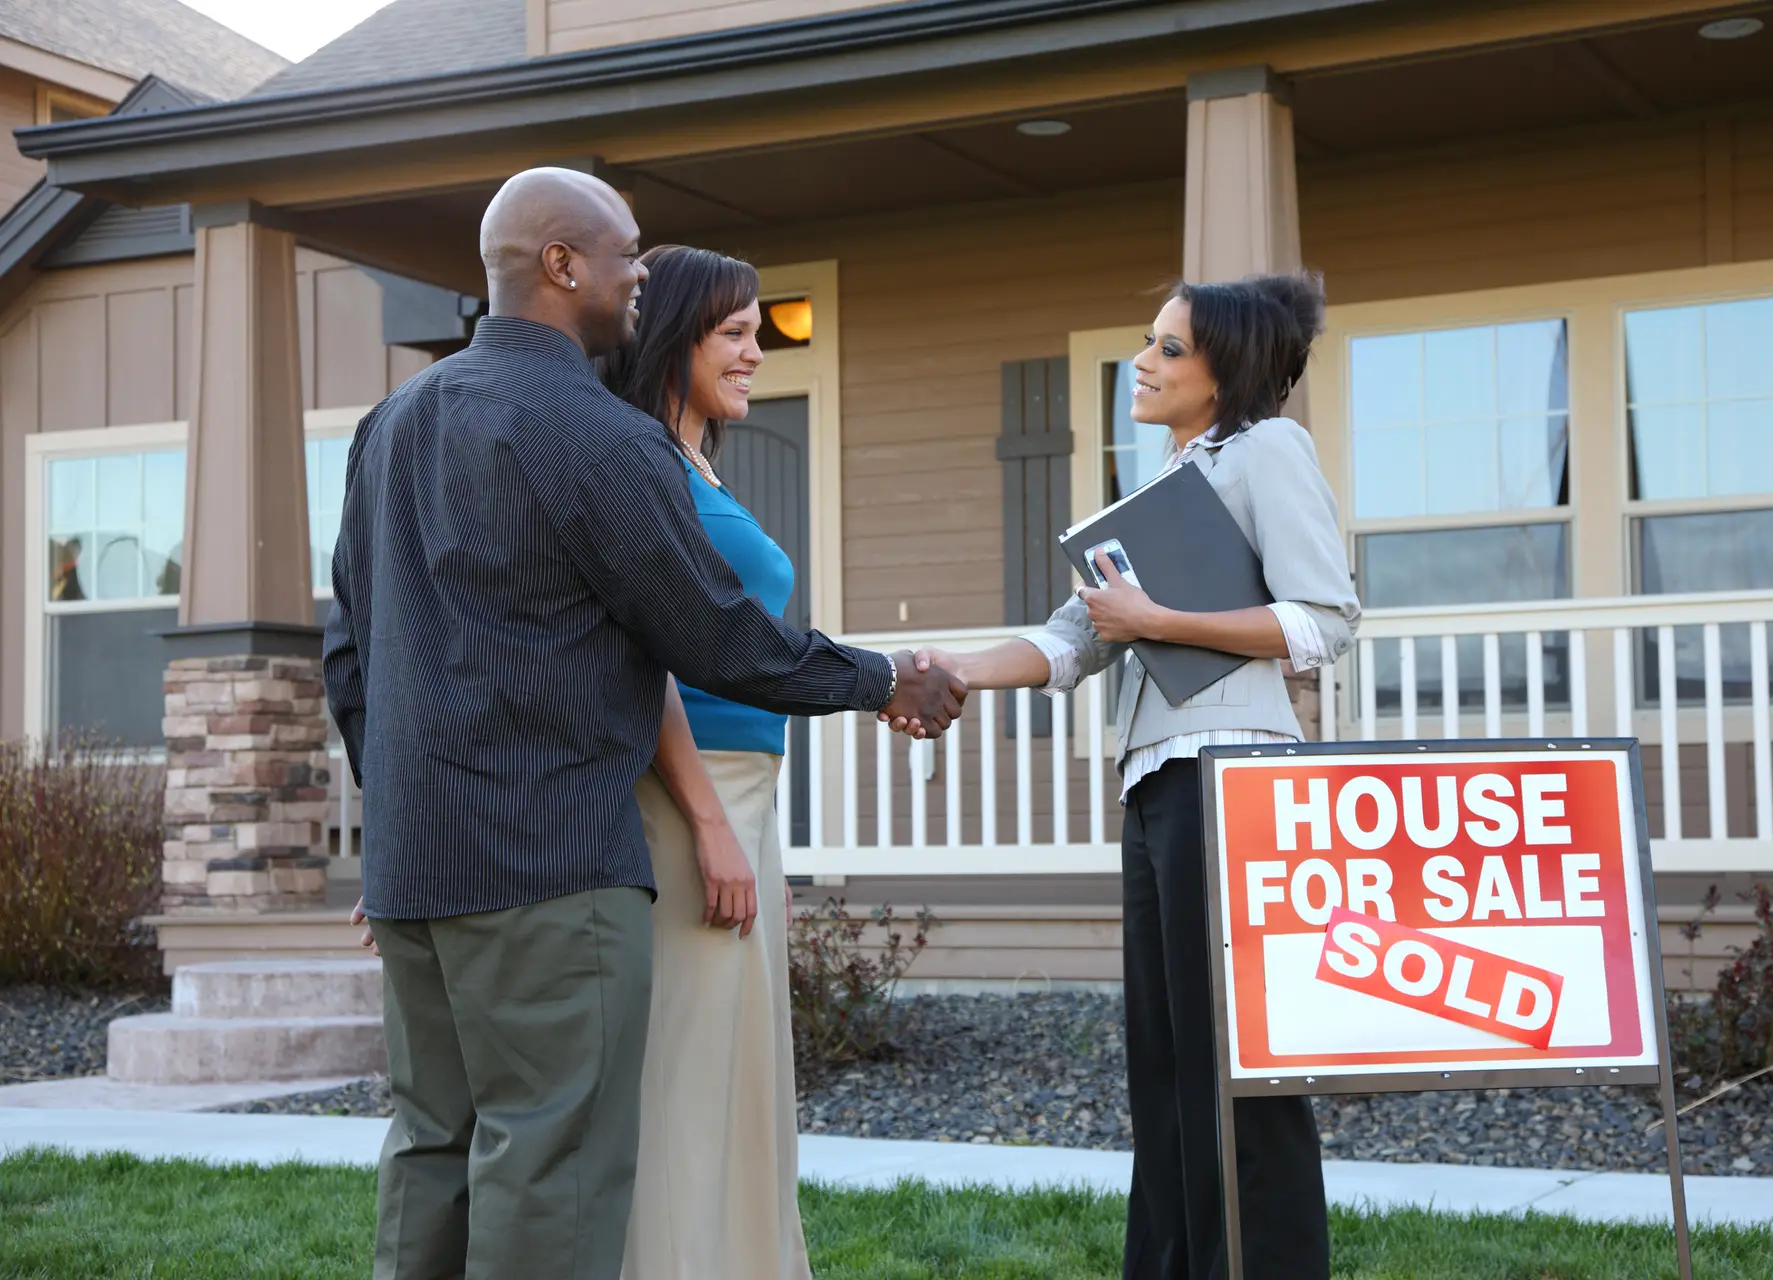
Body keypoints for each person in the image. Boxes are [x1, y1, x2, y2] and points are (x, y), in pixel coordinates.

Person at [324, 167, 965, 1280]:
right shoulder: (596, 436)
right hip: (552, 866)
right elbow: (719, 637)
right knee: (550, 1163)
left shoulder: (394, 424)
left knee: (432, 1144)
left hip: (419, 863)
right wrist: (886, 680)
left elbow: (351, 654)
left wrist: (399, 819)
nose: (638, 276)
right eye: (624, 254)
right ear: (561, 266)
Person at [908, 272, 1359, 1280]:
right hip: (1159, 784)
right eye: (1145, 343)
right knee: (1165, 1064)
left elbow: (1323, 619)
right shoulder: (1162, 490)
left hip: (1234, 778)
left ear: (1224, 370)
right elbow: (1072, 642)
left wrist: (1160, 620)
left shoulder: (1266, 450)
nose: (1141, 365)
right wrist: (951, 669)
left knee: (1237, 1064)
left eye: (1168, 349)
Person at [597, 244, 813, 1280]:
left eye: (758, 330)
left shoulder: (697, 462)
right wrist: (710, 821)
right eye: (734, 332)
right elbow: (645, 660)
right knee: (688, 1076)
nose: (755, 351)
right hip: (691, 801)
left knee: (740, 1075)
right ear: (674, 335)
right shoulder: (641, 463)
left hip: (746, 796)